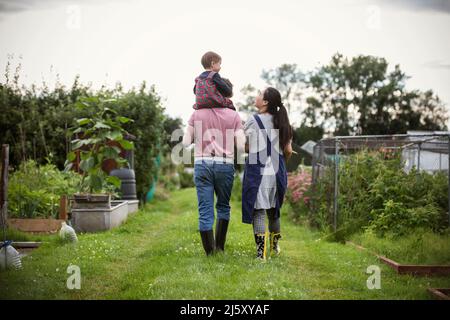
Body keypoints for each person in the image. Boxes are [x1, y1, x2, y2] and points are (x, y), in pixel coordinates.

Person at [183, 82, 245, 255]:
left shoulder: (196, 113)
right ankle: (220, 247)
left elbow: (186, 142)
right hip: (225, 165)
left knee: (205, 208)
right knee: (223, 206)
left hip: (202, 164)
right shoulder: (234, 115)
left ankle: (210, 252)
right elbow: (241, 146)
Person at [242, 87, 293, 260]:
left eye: (259, 94)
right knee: (274, 211)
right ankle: (275, 246)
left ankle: (260, 254)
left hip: (258, 172)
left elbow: (245, 146)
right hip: (277, 172)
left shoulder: (252, 120)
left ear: (265, 102)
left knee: (259, 212)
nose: (256, 96)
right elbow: (288, 151)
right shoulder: (284, 123)